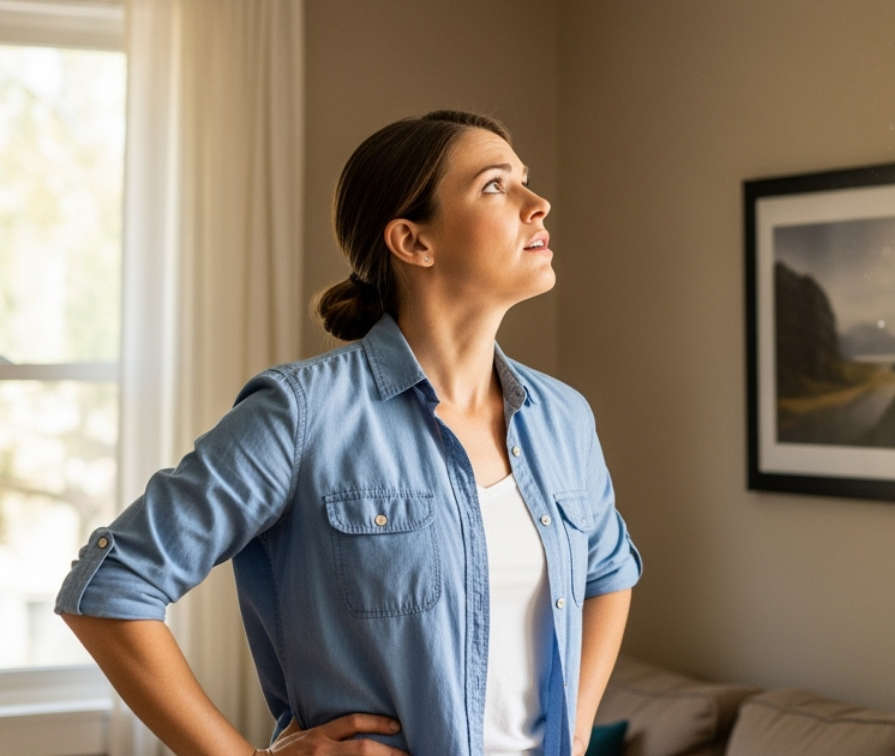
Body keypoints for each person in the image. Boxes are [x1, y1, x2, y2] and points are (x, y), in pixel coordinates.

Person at [55, 109, 642, 756]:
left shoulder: (563, 417)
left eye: (523, 180)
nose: (539, 203)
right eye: (496, 185)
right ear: (413, 242)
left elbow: (610, 574)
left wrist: (577, 731)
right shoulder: (301, 414)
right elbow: (109, 585)